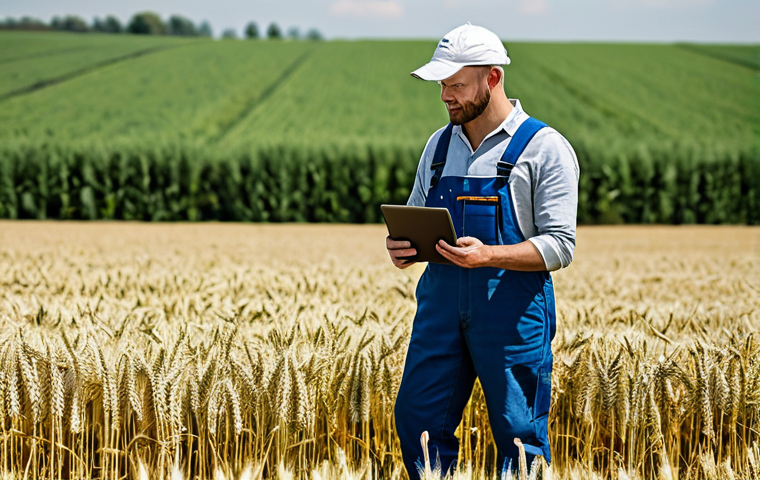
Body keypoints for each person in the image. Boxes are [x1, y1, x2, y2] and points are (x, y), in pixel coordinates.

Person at [386, 23, 579, 479]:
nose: (445, 96)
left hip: (511, 315)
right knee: (418, 422)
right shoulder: (436, 147)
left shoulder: (544, 148)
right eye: (441, 85)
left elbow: (560, 245)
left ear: (491, 78)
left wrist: (489, 255)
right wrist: (403, 248)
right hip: (439, 310)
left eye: (455, 84)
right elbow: (416, 213)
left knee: (519, 434)